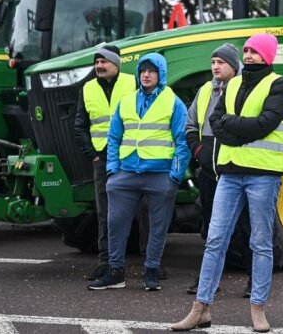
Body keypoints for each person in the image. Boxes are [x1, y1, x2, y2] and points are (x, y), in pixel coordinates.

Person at [172, 33, 283, 333]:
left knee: (260, 243)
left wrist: (234, 129)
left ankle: (258, 309)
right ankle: (201, 308)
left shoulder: (278, 84)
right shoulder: (233, 83)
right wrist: (239, 131)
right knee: (215, 240)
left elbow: (265, 124)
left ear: (267, 56)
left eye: (254, 51)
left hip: (263, 174)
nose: (249, 55)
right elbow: (216, 121)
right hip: (229, 172)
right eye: (247, 51)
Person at [88, 52, 190, 291]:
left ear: (160, 74)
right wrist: (113, 170)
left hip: (160, 175)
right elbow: (113, 137)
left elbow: (183, 142)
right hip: (126, 174)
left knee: (157, 227)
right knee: (115, 224)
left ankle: (152, 270)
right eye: (143, 70)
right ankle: (115, 272)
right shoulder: (127, 101)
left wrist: (174, 176)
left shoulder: (173, 102)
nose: (146, 74)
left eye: (151, 71)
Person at [73, 45, 152, 281]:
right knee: (104, 211)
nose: (99, 66)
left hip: (131, 155)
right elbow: (80, 125)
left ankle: (151, 262)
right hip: (103, 157)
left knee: (143, 209)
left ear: (116, 64)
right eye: (96, 62)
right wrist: (93, 155)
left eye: (104, 61)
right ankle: (105, 262)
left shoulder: (133, 82)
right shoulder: (87, 89)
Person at [184, 43, 253, 296]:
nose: (215, 66)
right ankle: (207, 280)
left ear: (234, 67)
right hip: (209, 171)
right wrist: (199, 153)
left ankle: (253, 279)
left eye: (220, 62)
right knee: (211, 229)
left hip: (238, 170)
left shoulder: (246, 89)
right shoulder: (204, 90)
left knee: (247, 227)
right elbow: (190, 126)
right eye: (213, 62)